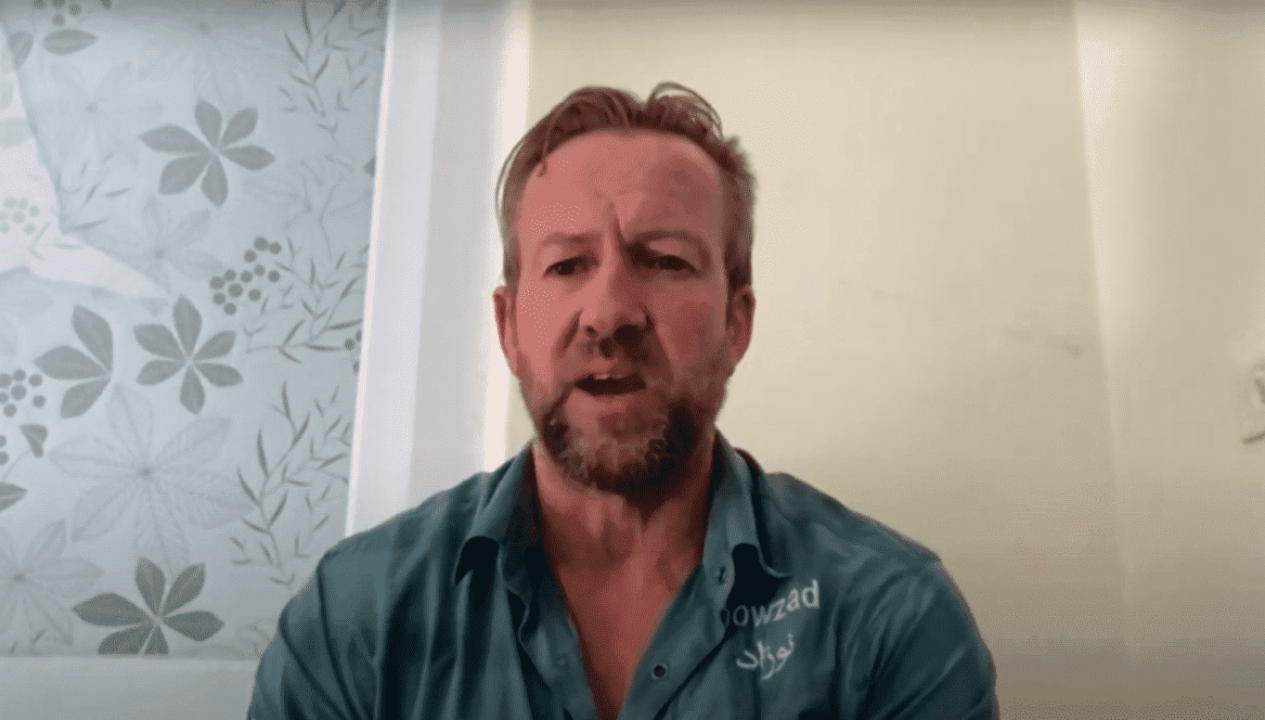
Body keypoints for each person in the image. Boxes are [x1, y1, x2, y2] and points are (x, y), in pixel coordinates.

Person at [248, 81, 999, 720]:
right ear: (509, 328)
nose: (608, 313)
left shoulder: (890, 618)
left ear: (735, 324)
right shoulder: (356, 621)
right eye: (567, 264)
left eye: (665, 261)